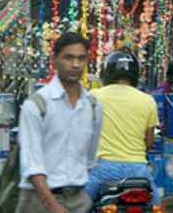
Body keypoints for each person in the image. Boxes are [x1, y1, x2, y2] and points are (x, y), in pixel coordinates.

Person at [17, 33, 103, 213]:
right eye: (68, 57)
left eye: (81, 58)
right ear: (54, 60)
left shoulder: (93, 107)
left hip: (78, 200)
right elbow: (32, 164)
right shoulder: (36, 105)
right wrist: (52, 205)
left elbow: (89, 158)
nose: (76, 64)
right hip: (38, 201)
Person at [84, 51, 159, 202]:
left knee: (76, 206)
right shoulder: (148, 100)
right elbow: (149, 143)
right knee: (156, 204)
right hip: (138, 170)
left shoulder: (93, 96)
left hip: (102, 169)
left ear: (107, 72)